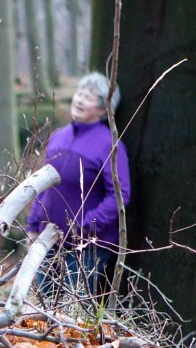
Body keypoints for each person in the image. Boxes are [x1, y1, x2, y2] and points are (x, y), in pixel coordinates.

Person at [26, 72, 131, 299]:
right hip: (49, 238)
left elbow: (119, 196)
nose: (80, 100)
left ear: (104, 109)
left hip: (88, 247)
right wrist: (34, 224)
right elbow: (44, 185)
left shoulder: (111, 145)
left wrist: (84, 226)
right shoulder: (59, 137)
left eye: (89, 97)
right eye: (80, 93)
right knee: (44, 303)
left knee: (73, 307)